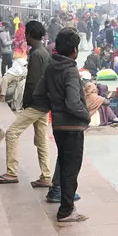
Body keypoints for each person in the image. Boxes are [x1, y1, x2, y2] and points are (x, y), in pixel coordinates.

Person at [33, 27, 90, 222]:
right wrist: (86, 117)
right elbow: (73, 102)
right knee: (71, 169)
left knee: (64, 164)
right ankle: (66, 210)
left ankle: (67, 207)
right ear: (74, 50)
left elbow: (39, 93)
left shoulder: (51, 66)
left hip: (58, 126)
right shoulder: (71, 70)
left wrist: (55, 108)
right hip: (73, 126)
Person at [0, 21, 52, 188]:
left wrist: (26, 102)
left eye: (26, 34)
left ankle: (11, 172)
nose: (25, 37)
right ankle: (46, 176)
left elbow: (33, 82)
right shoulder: (42, 52)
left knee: (12, 133)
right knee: (41, 140)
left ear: (30, 35)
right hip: (43, 103)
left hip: (36, 103)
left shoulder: (37, 54)